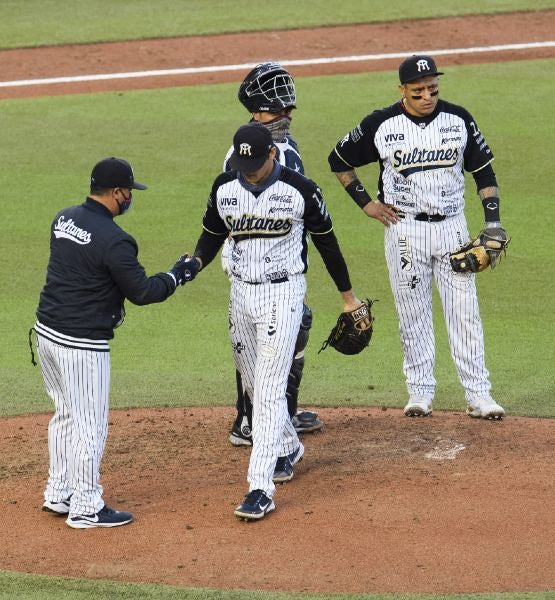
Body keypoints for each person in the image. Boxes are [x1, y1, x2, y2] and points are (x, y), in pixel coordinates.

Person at [191, 123, 368, 520]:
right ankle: (287, 445)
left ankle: (260, 487)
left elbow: (327, 242)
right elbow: (211, 235)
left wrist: (347, 297)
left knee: (270, 390)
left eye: (254, 163)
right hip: (241, 294)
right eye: (242, 163)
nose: (247, 170)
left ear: (272, 153)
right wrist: (195, 262)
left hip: (283, 293)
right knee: (253, 385)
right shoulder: (225, 187)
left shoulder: (301, 190)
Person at [327, 55, 505, 420]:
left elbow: (484, 172)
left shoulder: (459, 118)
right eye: (418, 91)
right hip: (404, 228)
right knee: (413, 312)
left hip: (453, 226)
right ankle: (420, 392)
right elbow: (338, 158)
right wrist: (367, 204)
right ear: (402, 90)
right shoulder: (381, 123)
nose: (427, 97)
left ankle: (479, 395)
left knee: (464, 312)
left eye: (432, 89)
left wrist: (493, 223)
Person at [32, 157, 199, 529]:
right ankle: (87, 506)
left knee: (65, 415)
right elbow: (143, 292)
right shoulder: (116, 239)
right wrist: (177, 275)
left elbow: (82, 273)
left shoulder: (64, 218)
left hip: (46, 332)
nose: (130, 198)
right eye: (129, 192)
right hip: (80, 343)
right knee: (89, 424)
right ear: (118, 192)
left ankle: (59, 493)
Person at [224, 62, 323, 447]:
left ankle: (270, 416)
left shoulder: (282, 146)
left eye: (286, 110)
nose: (284, 117)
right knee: (263, 338)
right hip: (254, 258)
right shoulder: (245, 153)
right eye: (275, 111)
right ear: (255, 111)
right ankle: (254, 421)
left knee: (272, 335)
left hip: (279, 256)